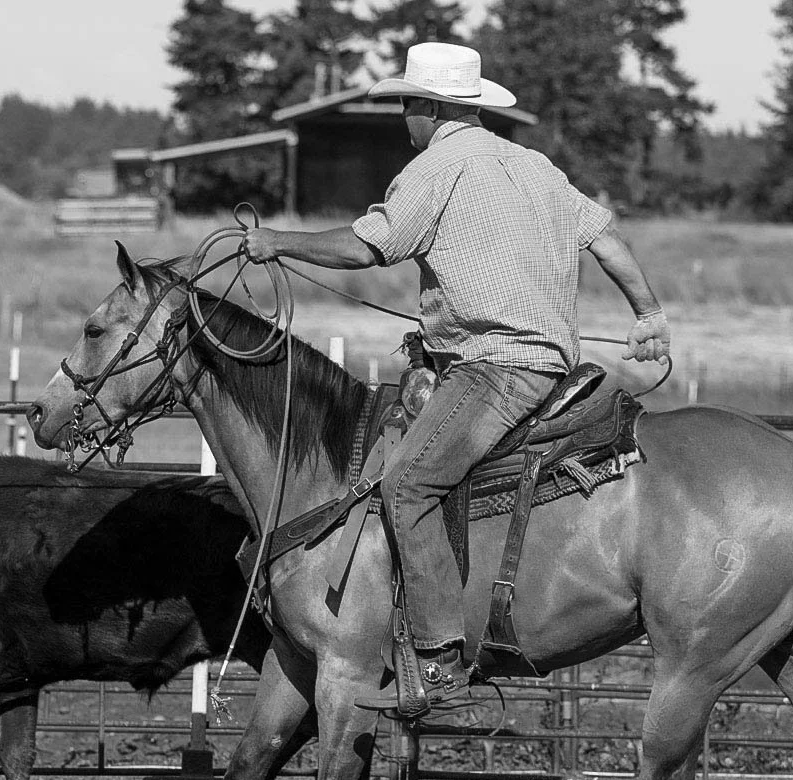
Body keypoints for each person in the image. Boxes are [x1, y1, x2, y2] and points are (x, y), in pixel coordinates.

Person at [242, 41, 669, 716]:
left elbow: (368, 246)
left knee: (406, 483)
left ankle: (439, 659)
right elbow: (607, 240)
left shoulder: (434, 168)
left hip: (493, 371)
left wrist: (277, 243)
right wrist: (648, 315)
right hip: (548, 365)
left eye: (406, 104)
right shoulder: (535, 166)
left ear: (431, 108)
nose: (402, 117)